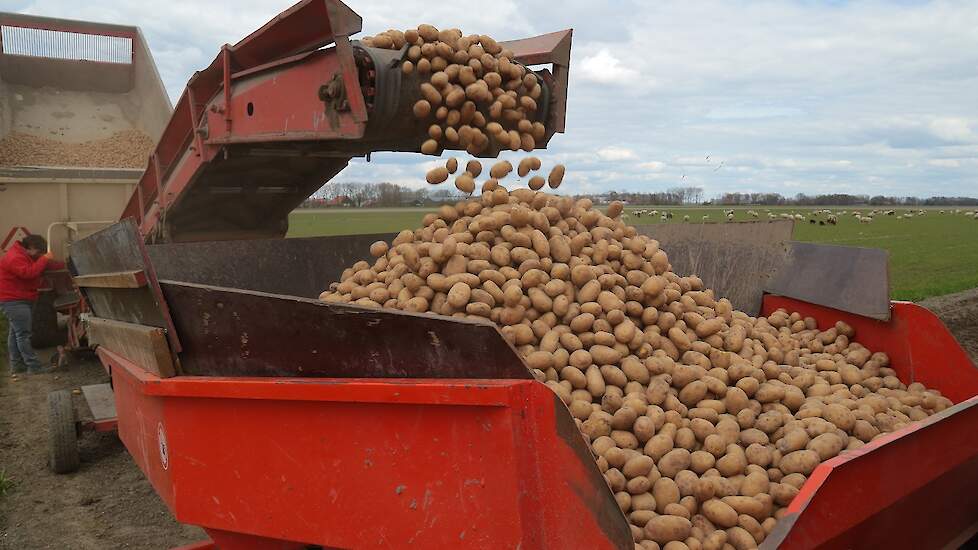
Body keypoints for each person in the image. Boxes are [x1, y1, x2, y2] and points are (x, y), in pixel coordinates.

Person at [0, 234, 65, 375]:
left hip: (18, 300)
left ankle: (17, 366)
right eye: (39, 252)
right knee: (23, 335)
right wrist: (44, 258)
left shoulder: (25, 256)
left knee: (15, 334)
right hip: (14, 301)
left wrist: (67, 264)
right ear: (31, 248)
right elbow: (29, 273)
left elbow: (43, 266)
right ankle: (34, 367)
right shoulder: (15, 257)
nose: (40, 255)